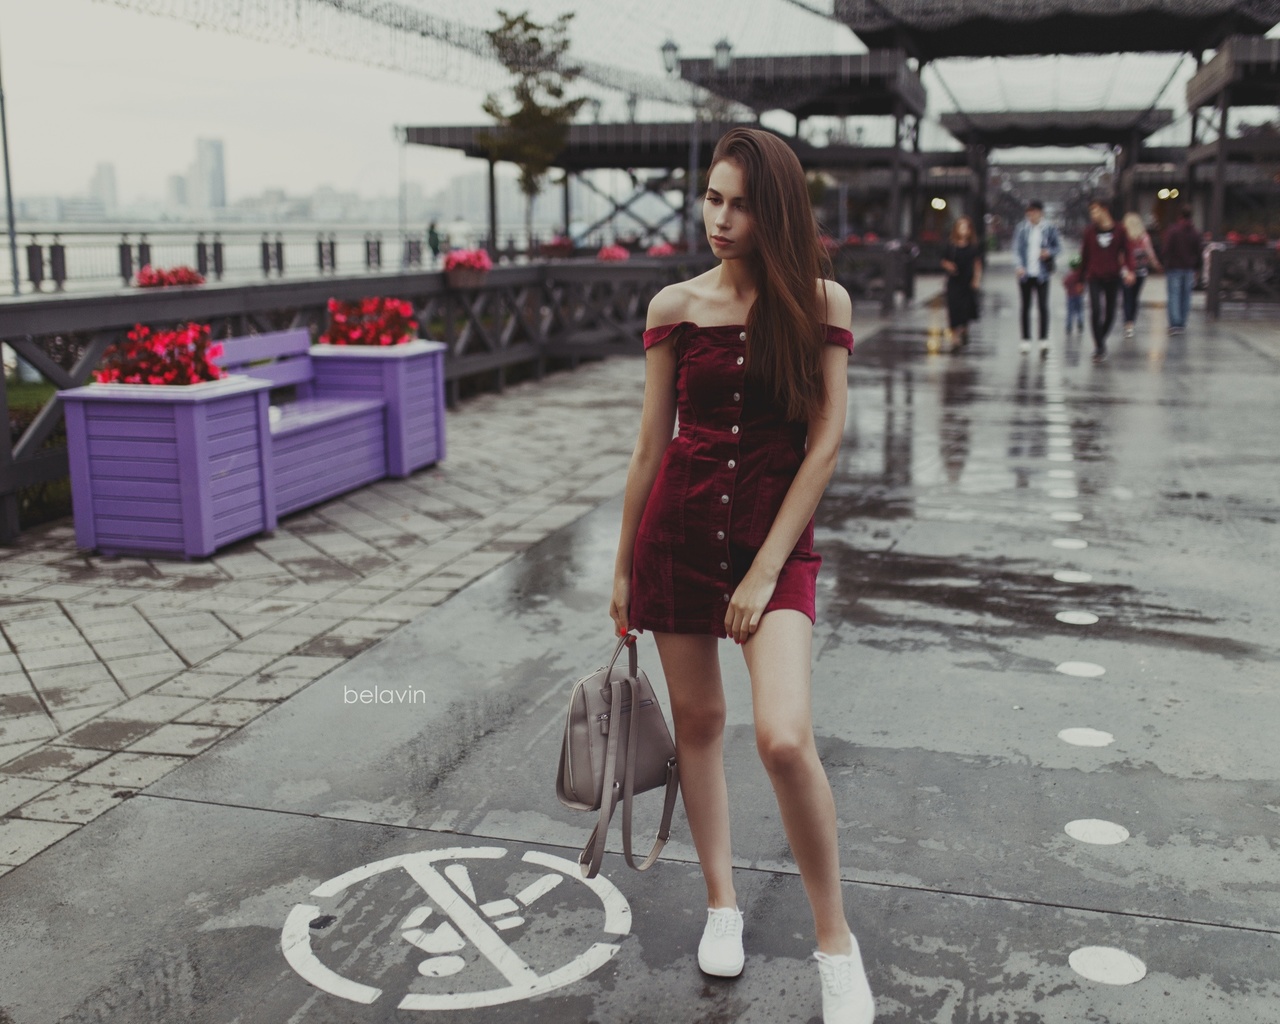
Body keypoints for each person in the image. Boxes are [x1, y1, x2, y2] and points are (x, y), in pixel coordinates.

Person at [610, 126, 874, 1024]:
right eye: (712, 198)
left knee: (784, 737)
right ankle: (721, 904)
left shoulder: (821, 300)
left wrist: (764, 572)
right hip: (677, 537)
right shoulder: (674, 306)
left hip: (775, 543)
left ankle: (835, 941)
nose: (719, 218)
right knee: (700, 723)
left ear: (777, 210)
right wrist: (620, 571)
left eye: (740, 202)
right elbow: (651, 446)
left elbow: (827, 439)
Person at [1079, 200, 1134, 362]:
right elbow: (1084, 256)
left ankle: (1100, 338)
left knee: (1110, 313)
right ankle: (1099, 347)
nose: (1093, 215)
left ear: (1105, 210)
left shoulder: (1119, 230)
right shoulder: (1089, 232)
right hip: (1094, 276)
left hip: (1113, 276)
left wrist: (1130, 270)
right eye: (1091, 212)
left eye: (1095, 211)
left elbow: (1128, 251)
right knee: (1095, 310)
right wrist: (1080, 279)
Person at [1012, 200, 1061, 356]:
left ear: (1040, 213)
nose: (1030, 215)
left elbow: (1058, 247)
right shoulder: (1022, 229)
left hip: (1042, 275)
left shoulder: (1049, 229)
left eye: (1033, 212)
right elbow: (1017, 249)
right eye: (1028, 212)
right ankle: (1025, 339)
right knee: (1025, 307)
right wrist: (1019, 266)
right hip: (1025, 274)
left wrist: (1049, 253)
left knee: (1043, 307)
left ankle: (1043, 340)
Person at [940, 216, 983, 353]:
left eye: (966, 227)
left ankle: (964, 329)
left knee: (966, 309)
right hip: (954, 281)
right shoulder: (951, 245)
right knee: (953, 309)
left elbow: (977, 264)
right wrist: (948, 266)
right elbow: (943, 260)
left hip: (967, 281)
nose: (964, 230)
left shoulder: (973, 246)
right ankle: (954, 338)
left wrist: (976, 280)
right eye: (961, 227)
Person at [1121, 212, 1162, 338]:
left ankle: (1127, 323)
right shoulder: (1144, 237)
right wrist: (1156, 264)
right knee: (1135, 297)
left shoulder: (1124, 237)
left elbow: (1120, 254)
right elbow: (1150, 253)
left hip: (1126, 271)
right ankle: (1132, 322)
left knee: (1127, 297)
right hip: (1141, 272)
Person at [1162, 206, 1201, 335]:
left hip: (1174, 267)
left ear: (1180, 216)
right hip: (1189, 268)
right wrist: (1197, 268)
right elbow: (1198, 252)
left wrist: (1165, 263)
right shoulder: (1195, 233)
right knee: (1186, 296)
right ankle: (1182, 322)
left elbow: (1166, 249)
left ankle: (1174, 323)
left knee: (1174, 295)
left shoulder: (1173, 231)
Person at [1062, 256, 1085, 336]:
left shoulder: (1070, 275)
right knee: (1079, 310)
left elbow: (1065, 283)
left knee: (1070, 312)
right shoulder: (1080, 275)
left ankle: (1069, 326)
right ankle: (1080, 321)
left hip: (1070, 296)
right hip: (1079, 295)